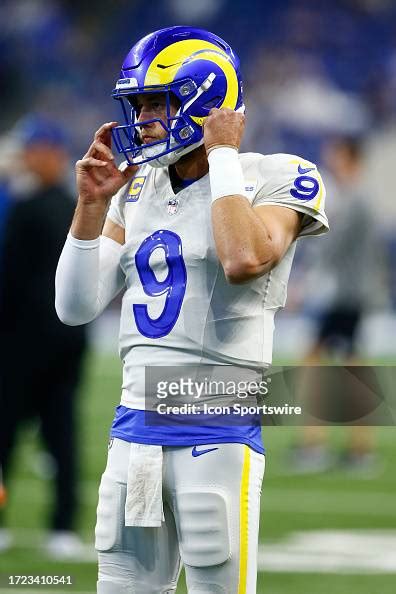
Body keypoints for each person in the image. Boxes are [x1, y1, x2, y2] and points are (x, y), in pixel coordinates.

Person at [55, 26, 328, 593]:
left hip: (216, 429)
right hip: (133, 429)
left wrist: (223, 152)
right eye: (139, 105)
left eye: (157, 102)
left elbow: (243, 257)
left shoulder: (274, 174)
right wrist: (89, 207)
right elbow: (75, 307)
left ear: (203, 98)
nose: (143, 119)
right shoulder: (138, 188)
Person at [0, 116, 87, 557]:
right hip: (63, 344)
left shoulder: (31, 206)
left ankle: (58, 527)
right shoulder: (76, 204)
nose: (27, 158)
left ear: (51, 152)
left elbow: (9, 282)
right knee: (59, 438)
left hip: (24, 345)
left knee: (19, 437)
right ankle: (62, 529)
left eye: (34, 149)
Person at [291, 136, 387, 475]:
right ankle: (346, 448)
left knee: (329, 368)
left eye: (336, 152)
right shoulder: (352, 196)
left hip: (343, 298)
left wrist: (302, 282)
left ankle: (323, 447)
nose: (329, 157)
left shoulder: (355, 198)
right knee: (341, 368)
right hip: (347, 298)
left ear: (349, 157)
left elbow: (332, 249)